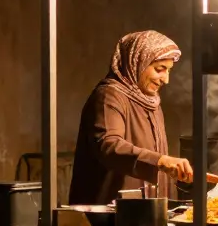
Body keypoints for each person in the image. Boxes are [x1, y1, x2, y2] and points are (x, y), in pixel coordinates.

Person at [70, 31, 193, 205]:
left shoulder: (151, 102)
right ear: (137, 62)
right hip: (111, 216)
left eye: (169, 70)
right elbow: (108, 145)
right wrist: (160, 160)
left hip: (146, 212)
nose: (165, 79)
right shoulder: (108, 96)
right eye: (160, 69)